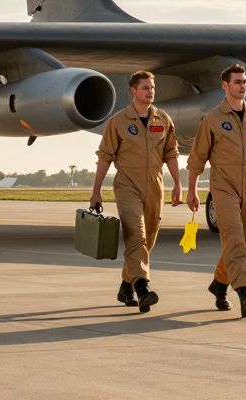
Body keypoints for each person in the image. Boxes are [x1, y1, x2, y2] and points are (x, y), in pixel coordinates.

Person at [186, 64, 246, 317]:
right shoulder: (212, 119)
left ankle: (219, 286)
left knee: (240, 242)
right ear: (225, 86)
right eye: (237, 82)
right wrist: (192, 191)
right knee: (234, 237)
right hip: (223, 187)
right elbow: (197, 159)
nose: (243, 86)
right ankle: (245, 292)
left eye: (244, 82)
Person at [90, 71, 181, 313]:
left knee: (148, 239)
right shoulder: (118, 122)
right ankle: (142, 288)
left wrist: (178, 185)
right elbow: (104, 157)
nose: (150, 91)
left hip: (155, 186)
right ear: (133, 91)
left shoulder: (163, 120)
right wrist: (96, 190)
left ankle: (125, 285)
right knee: (136, 236)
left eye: (152, 88)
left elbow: (171, 154)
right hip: (127, 185)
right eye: (145, 88)